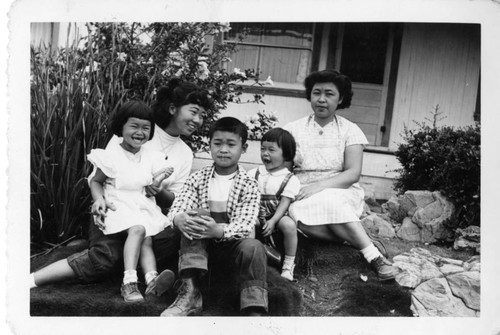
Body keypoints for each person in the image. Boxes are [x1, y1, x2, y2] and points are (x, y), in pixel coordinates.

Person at [30, 78, 213, 295]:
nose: (198, 120)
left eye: (202, 115)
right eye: (193, 112)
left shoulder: (184, 153)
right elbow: (99, 178)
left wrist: (159, 191)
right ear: (173, 108)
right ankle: (37, 278)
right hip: (114, 208)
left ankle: (161, 281)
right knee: (106, 258)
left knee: (171, 238)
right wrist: (99, 201)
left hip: (147, 214)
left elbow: (176, 198)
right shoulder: (136, 134)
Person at [283, 69, 395, 281]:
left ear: (341, 98)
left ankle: (374, 257)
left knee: (329, 202)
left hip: (340, 189)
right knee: (295, 217)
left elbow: (352, 173)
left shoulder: (350, 130)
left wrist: (319, 186)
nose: (322, 99)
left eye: (329, 94)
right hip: (302, 190)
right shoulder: (292, 129)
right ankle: (353, 237)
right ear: (310, 95)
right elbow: (285, 170)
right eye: (316, 93)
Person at [160, 117, 267, 317]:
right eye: (217, 143)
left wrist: (218, 230)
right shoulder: (197, 178)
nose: (223, 149)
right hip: (198, 249)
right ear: (209, 146)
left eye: (231, 144)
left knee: (254, 246)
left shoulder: (248, 184)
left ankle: (254, 309)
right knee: (194, 216)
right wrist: (178, 219)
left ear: (243, 148)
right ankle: (190, 292)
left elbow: (245, 225)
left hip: (231, 249)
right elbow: (176, 208)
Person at [86, 100, 175, 302]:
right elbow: (96, 182)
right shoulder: (111, 155)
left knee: (146, 239)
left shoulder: (151, 157)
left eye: (146, 128)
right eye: (134, 126)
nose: (140, 132)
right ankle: (129, 282)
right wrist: (98, 199)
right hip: (117, 204)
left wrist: (157, 182)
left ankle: (152, 278)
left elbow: (149, 185)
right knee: (137, 229)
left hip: (140, 204)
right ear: (121, 126)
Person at [248, 128, 300, 281]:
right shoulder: (253, 173)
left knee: (289, 226)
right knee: (249, 223)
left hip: (278, 215)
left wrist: (273, 220)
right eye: (262, 149)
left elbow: (285, 202)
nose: (265, 153)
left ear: (286, 154)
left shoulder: (289, 179)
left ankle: (288, 265)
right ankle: (249, 258)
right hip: (256, 213)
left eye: (271, 150)